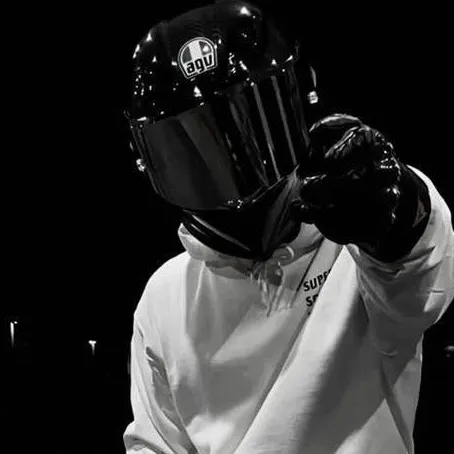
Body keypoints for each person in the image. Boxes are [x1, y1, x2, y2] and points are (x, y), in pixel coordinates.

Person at [122, 1, 454, 453]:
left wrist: (396, 211)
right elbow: (155, 444)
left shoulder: (357, 247)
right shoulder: (164, 296)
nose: (229, 176)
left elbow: (418, 278)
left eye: (244, 133)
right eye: (194, 151)